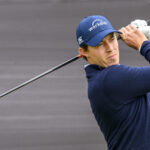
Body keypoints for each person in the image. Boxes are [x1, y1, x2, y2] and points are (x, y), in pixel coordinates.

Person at [76, 15, 150, 150]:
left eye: (112, 39)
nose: (110, 48)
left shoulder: (106, 79)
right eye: (99, 44)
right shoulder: (109, 79)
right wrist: (143, 45)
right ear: (84, 52)